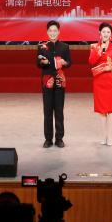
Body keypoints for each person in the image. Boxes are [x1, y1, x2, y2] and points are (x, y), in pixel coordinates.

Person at [88, 21, 112, 145]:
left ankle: (110, 137)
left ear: (111, 34)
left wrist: (111, 68)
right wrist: (98, 52)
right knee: (102, 110)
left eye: (108, 32)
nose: (106, 34)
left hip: (111, 81)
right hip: (99, 81)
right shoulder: (94, 47)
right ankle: (104, 136)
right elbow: (91, 61)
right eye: (104, 31)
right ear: (100, 33)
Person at [37, 19, 71, 148]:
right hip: (47, 82)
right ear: (47, 32)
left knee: (59, 111)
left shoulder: (65, 46)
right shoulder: (42, 46)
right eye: (50, 30)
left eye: (55, 30)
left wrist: (64, 62)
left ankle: (59, 139)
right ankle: (48, 139)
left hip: (59, 82)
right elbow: (38, 63)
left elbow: (69, 62)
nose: (53, 33)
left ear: (59, 32)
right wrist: (43, 62)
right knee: (47, 112)